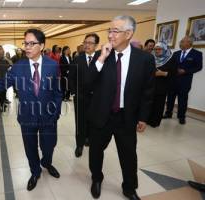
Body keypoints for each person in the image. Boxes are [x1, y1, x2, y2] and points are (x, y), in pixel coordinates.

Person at [0, 29, 62, 191]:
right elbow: (2, 84)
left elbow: (57, 91)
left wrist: (56, 112)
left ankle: (46, 162)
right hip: (27, 116)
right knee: (30, 147)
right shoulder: (18, 67)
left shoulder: (53, 65)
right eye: (26, 43)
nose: (27, 47)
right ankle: (35, 171)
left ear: (42, 45)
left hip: (48, 116)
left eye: (32, 43)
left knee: (49, 145)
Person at [87, 15, 155, 200]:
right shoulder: (101, 56)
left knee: (128, 155)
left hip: (127, 116)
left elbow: (147, 92)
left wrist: (143, 117)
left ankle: (129, 188)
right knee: (95, 151)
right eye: (109, 30)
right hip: (102, 114)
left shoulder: (144, 60)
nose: (110, 35)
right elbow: (87, 83)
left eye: (115, 31)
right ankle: (96, 179)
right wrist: (101, 58)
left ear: (128, 34)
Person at [69, 33, 100, 157]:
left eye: (90, 43)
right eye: (85, 42)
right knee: (80, 122)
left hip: (97, 99)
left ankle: (90, 139)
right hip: (80, 97)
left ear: (96, 45)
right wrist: (74, 92)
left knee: (93, 121)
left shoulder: (101, 58)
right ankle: (79, 144)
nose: (87, 45)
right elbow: (71, 77)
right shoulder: (77, 58)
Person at [163, 36, 203, 124]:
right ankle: (168, 113)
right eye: (181, 41)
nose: (180, 43)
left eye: (183, 41)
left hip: (185, 81)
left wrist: (185, 71)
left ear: (189, 43)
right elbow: (171, 65)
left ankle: (181, 117)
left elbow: (198, 67)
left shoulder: (197, 54)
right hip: (173, 80)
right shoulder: (176, 53)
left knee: (183, 99)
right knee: (170, 97)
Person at [147, 42, 177, 127]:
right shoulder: (152, 58)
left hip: (162, 86)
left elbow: (174, 74)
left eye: (159, 49)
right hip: (151, 84)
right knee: (149, 104)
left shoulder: (171, 59)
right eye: (155, 49)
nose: (157, 51)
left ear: (164, 49)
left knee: (158, 105)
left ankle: (155, 122)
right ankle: (147, 120)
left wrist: (163, 73)